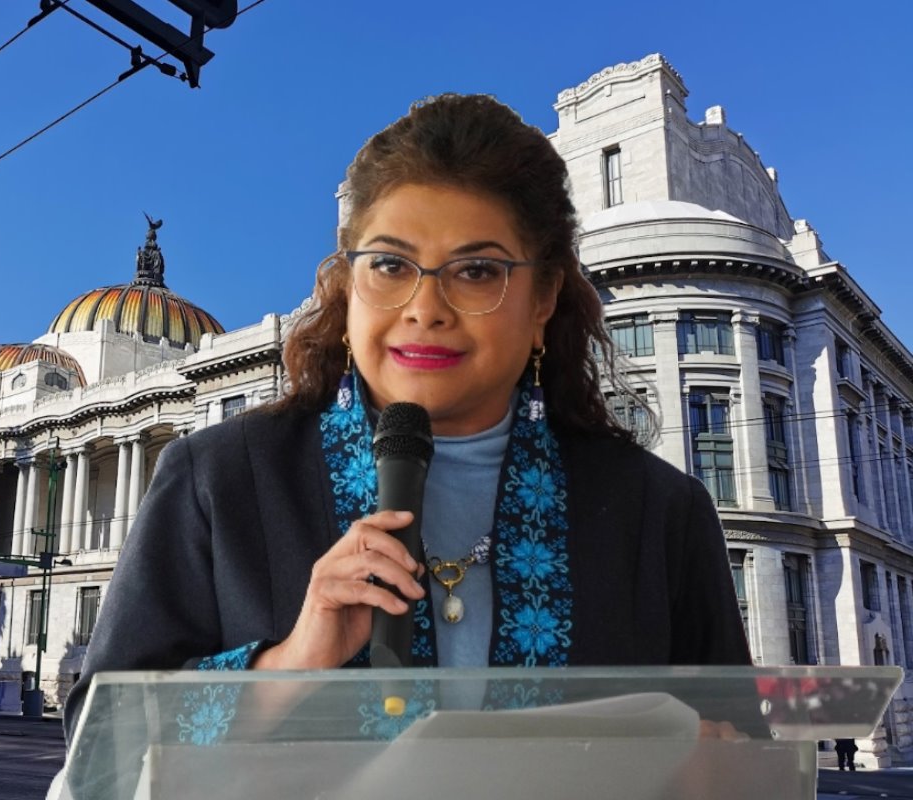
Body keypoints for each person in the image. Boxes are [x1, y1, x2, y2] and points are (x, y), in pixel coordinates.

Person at [63, 94, 751, 743]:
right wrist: (293, 661)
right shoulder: (220, 478)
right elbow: (101, 735)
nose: (426, 308)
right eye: (391, 264)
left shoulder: (660, 513)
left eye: (477, 271)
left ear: (543, 299)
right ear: (349, 284)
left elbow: (744, 751)